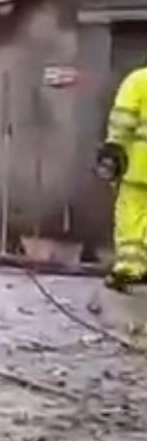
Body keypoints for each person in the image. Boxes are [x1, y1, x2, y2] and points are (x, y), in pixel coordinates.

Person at [99, 67, 147, 291]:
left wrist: (113, 148)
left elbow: (122, 121)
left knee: (131, 216)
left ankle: (129, 269)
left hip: (138, 166)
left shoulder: (138, 81)